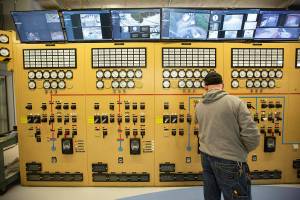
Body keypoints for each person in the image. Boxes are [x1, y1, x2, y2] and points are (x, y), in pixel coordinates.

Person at [195, 71, 260, 200]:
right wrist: (242, 150)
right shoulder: (236, 102)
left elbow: (200, 130)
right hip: (230, 159)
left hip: (206, 158)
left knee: (211, 196)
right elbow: (252, 134)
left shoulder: (199, 105)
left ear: (205, 86)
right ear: (223, 85)